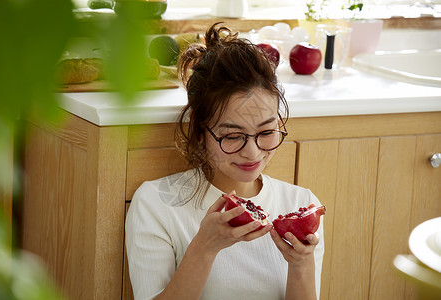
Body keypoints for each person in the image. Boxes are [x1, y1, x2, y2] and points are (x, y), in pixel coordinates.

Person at [125, 23, 324, 300]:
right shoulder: (156, 204)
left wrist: (301, 264)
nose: (253, 153)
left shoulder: (300, 201)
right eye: (232, 136)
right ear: (199, 128)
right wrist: (204, 248)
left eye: (266, 132)